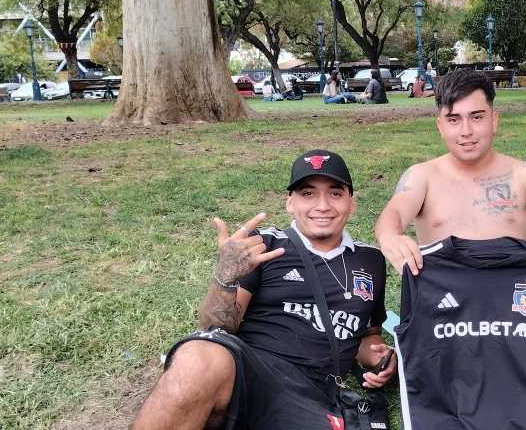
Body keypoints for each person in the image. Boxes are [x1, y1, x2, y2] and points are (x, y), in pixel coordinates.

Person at [131, 150, 396, 430]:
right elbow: (215, 327)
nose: (322, 205)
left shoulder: (371, 260)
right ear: (290, 203)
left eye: (335, 193)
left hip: (314, 393)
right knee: (197, 358)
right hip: (251, 370)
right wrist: (225, 277)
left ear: (351, 204)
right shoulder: (264, 245)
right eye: (307, 194)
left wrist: (380, 358)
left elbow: (367, 336)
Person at [375, 68, 526, 277]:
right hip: (444, 303)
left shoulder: (523, 175)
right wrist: (390, 237)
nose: (466, 131)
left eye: (477, 117)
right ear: (440, 127)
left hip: (508, 300)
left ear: (494, 120)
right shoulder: (422, 177)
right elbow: (393, 214)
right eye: (454, 120)